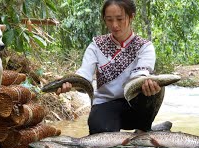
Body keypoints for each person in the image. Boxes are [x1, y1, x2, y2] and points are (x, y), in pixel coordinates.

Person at [56, 0, 165, 134]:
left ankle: (143, 130)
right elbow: (84, 75)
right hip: (105, 103)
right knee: (100, 134)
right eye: (109, 20)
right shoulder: (96, 46)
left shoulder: (144, 47)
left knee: (156, 85)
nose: (114, 25)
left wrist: (147, 84)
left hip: (135, 104)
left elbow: (140, 75)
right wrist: (70, 83)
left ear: (131, 17)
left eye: (120, 19)